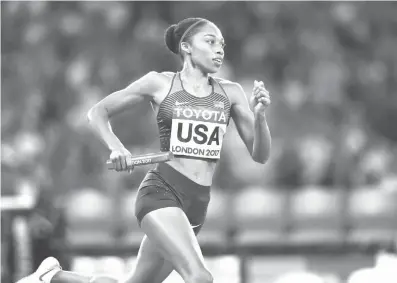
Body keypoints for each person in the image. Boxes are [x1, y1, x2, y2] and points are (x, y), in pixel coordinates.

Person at [18, 17, 271, 283]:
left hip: (197, 205)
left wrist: (261, 117)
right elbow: (98, 112)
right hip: (163, 192)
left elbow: (260, 155)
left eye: (222, 44)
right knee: (200, 278)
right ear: (186, 46)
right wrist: (117, 148)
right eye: (210, 41)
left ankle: (53, 277)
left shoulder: (231, 93)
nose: (219, 49)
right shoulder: (159, 83)